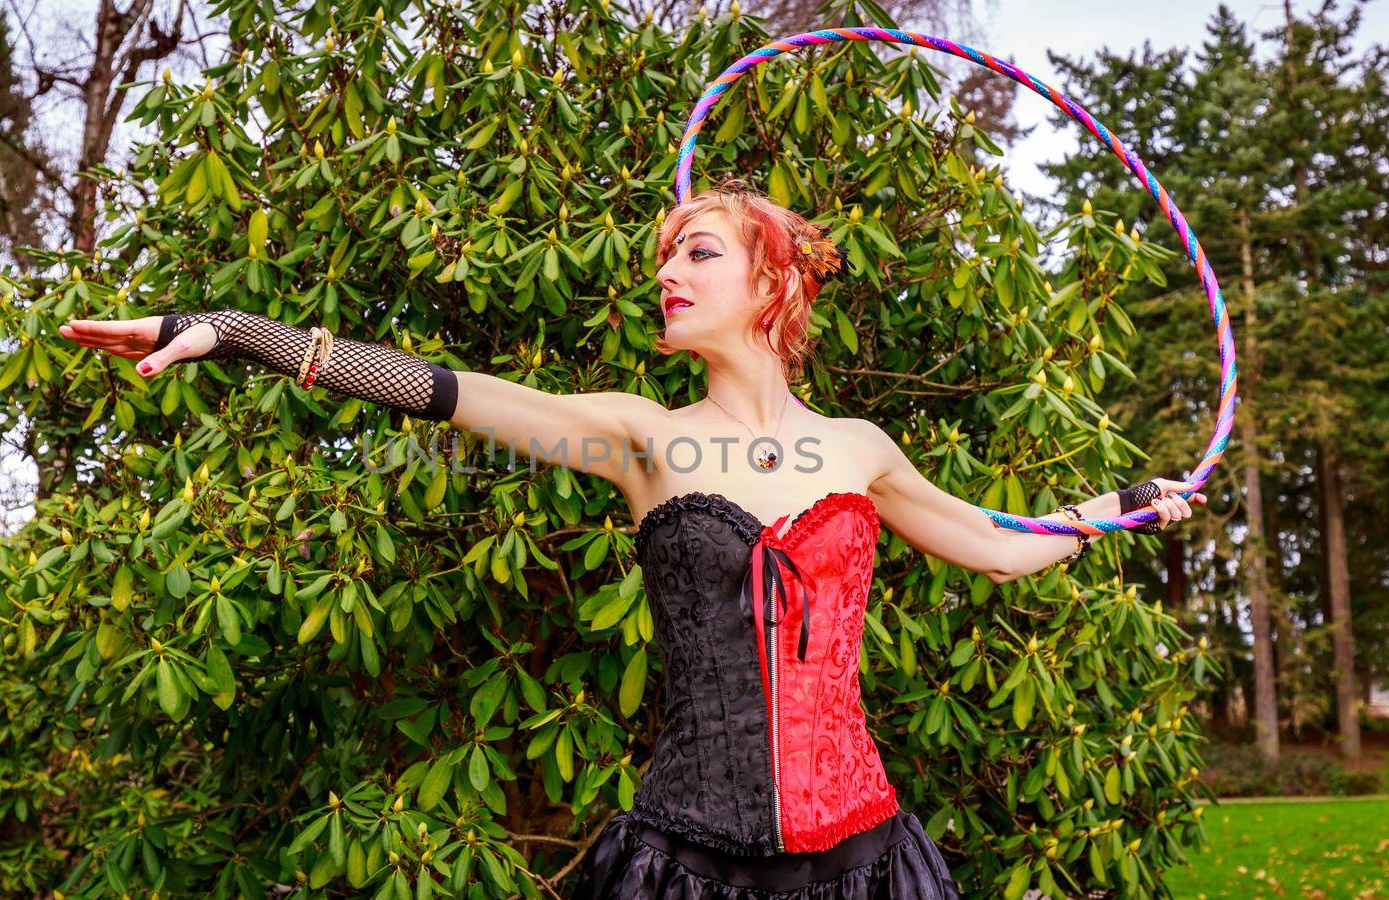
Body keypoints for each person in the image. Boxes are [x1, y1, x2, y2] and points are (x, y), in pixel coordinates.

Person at [58, 178, 1205, 897]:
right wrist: (230, 330)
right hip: (688, 864)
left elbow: (1003, 544)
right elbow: (434, 388)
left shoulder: (862, 447)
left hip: (864, 861)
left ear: (772, 282)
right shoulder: (636, 437)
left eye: (696, 252)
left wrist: (1126, 504)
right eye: (665, 256)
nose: (665, 272)